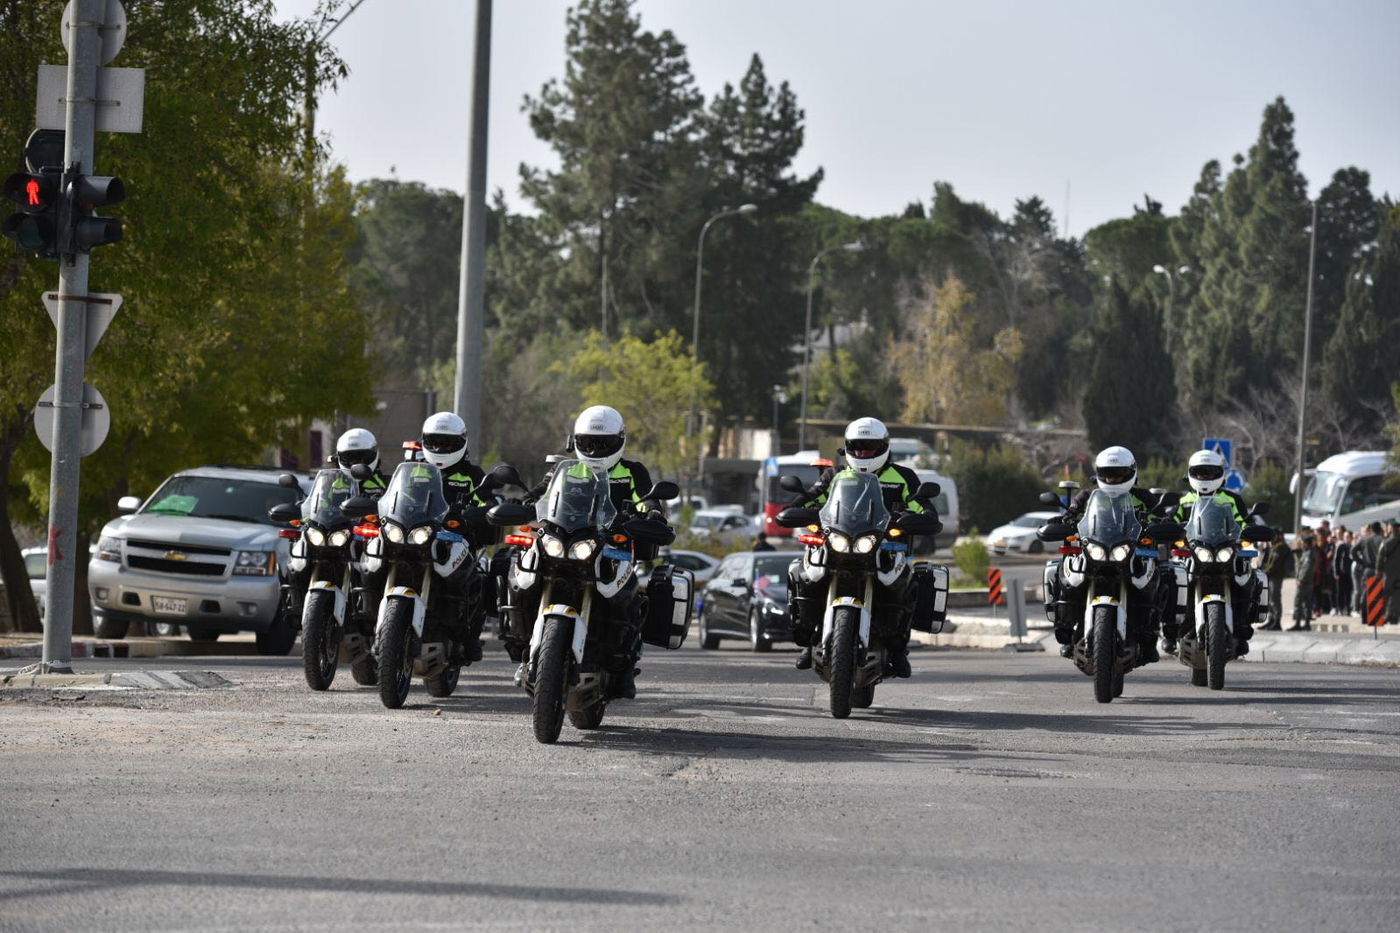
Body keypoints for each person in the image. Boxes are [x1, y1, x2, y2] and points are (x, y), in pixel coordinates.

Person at [511, 405, 668, 699]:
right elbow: (542, 493)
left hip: (613, 547)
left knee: (629, 596)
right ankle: (524, 648)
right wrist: (522, 504)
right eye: (588, 443)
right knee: (523, 577)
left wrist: (652, 513)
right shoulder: (565, 470)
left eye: (603, 444)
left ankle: (623, 666)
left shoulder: (632, 471)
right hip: (565, 542)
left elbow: (646, 498)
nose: (595, 450)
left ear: (619, 441)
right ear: (575, 442)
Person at [788, 417, 941, 678]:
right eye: (856, 446)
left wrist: (919, 517)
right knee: (804, 573)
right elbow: (809, 499)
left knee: (907, 585)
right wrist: (797, 510)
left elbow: (922, 507)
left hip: (887, 548)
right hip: (838, 543)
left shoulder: (903, 477)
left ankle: (898, 649)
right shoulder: (834, 475)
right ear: (847, 446)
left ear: (883, 447)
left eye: (869, 447)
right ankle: (811, 639)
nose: (862, 453)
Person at [1056, 445, 1166, 663]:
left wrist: (1162, 524)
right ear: (1098, 473)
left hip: (1132, 552)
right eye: (1107, 473)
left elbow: (1161, 516)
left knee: (1162, 577)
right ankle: (1065, 630)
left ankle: (1150, 637)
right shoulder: (1088, 496)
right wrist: (1062, 520)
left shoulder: (1143, 496)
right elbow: (1072, 513)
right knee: (1060, 570)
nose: (1112, 478)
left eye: (1119, 474)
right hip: (1095, 549)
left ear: (1131, 472)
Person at [1165, 448, 1257, 656]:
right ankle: (1170, 631)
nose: (1204, 477)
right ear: (1191, 473)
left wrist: (1249, 531)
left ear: (1220, 474)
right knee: (1170, 579)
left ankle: (1242, 630)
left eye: (1209, 472)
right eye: (1200, 472)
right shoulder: (1185, 500)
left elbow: (1243, 522)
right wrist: (1166, 530)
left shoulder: (1231, 499)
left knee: (1246, 580)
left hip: (1225, 551)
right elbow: (1172, 521)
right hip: (1192, 553)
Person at [1260, 530, 1290, 630]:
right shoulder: (1274, 546)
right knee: (1270, 599)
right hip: (1271, 575)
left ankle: (1277, 622)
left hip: (1276, 576)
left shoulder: (1281, 547)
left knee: (1275, 599)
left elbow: (1275, 564)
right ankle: (1271, 620)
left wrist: (1266, 571)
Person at [1353, 522, 1383, 617]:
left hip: (1367, 568)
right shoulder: (1382, 540)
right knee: (1379, 592)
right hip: (1379, 569)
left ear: (1371, 529)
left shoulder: (1365, 540)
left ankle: (1364, 614)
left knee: (1365, 591)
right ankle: (1377, 614)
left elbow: (1353, 550)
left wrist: (1360, 561)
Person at [1290, 530, 1317, 631]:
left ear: (1306, 543)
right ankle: (1306, 623)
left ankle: (1298, 624)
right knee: (1307, 603)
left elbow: (1306, 567)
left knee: (1299, 602)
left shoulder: (1309, 554)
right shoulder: (1309, 552)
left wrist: (1300, 579)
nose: (1302, 545)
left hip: (1304, 582)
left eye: (1303, 543)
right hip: (1308, 582)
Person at [1377, 517, 1400, 627]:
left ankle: (1384, 616)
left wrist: (1378, 570)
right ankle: (1393, 616)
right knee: (1396, 594)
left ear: (1391, 528)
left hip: (1388, 573)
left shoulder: (1387, 542)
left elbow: (1380, 557)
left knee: (1385, 594)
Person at [1333, 528, 1353, 617]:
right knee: (1340, 592)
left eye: (1348, 537)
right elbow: (1336, 560)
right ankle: (1339, 608)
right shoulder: (1341, 546)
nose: (1347, 538)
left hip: (1350, 573)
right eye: (1345, 537)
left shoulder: (1353, 547)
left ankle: (1348, 608)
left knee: (1348, 592)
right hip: (1341, 572)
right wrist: (1336, 572)